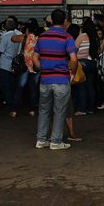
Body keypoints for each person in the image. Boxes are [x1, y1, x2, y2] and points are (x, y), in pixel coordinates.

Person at [34, 9, 78, 150]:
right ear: (64, 21)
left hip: (45, 79)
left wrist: (43, 68)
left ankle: (41, 140)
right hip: (61, 79)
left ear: (51, 20)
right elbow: (74, 59)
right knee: (59, 111)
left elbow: (34, 58)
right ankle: (56, 141)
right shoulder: (67, 37)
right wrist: (72, 73)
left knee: (44, 110)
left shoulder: (42, 36)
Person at [0, 18, 25, 117]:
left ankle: (10, 106)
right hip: (14, 64)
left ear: (6, 26)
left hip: (4, 64)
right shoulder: (19, 35)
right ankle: (15, 104)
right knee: (12, 85)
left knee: (5, 86)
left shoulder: (5, 36)